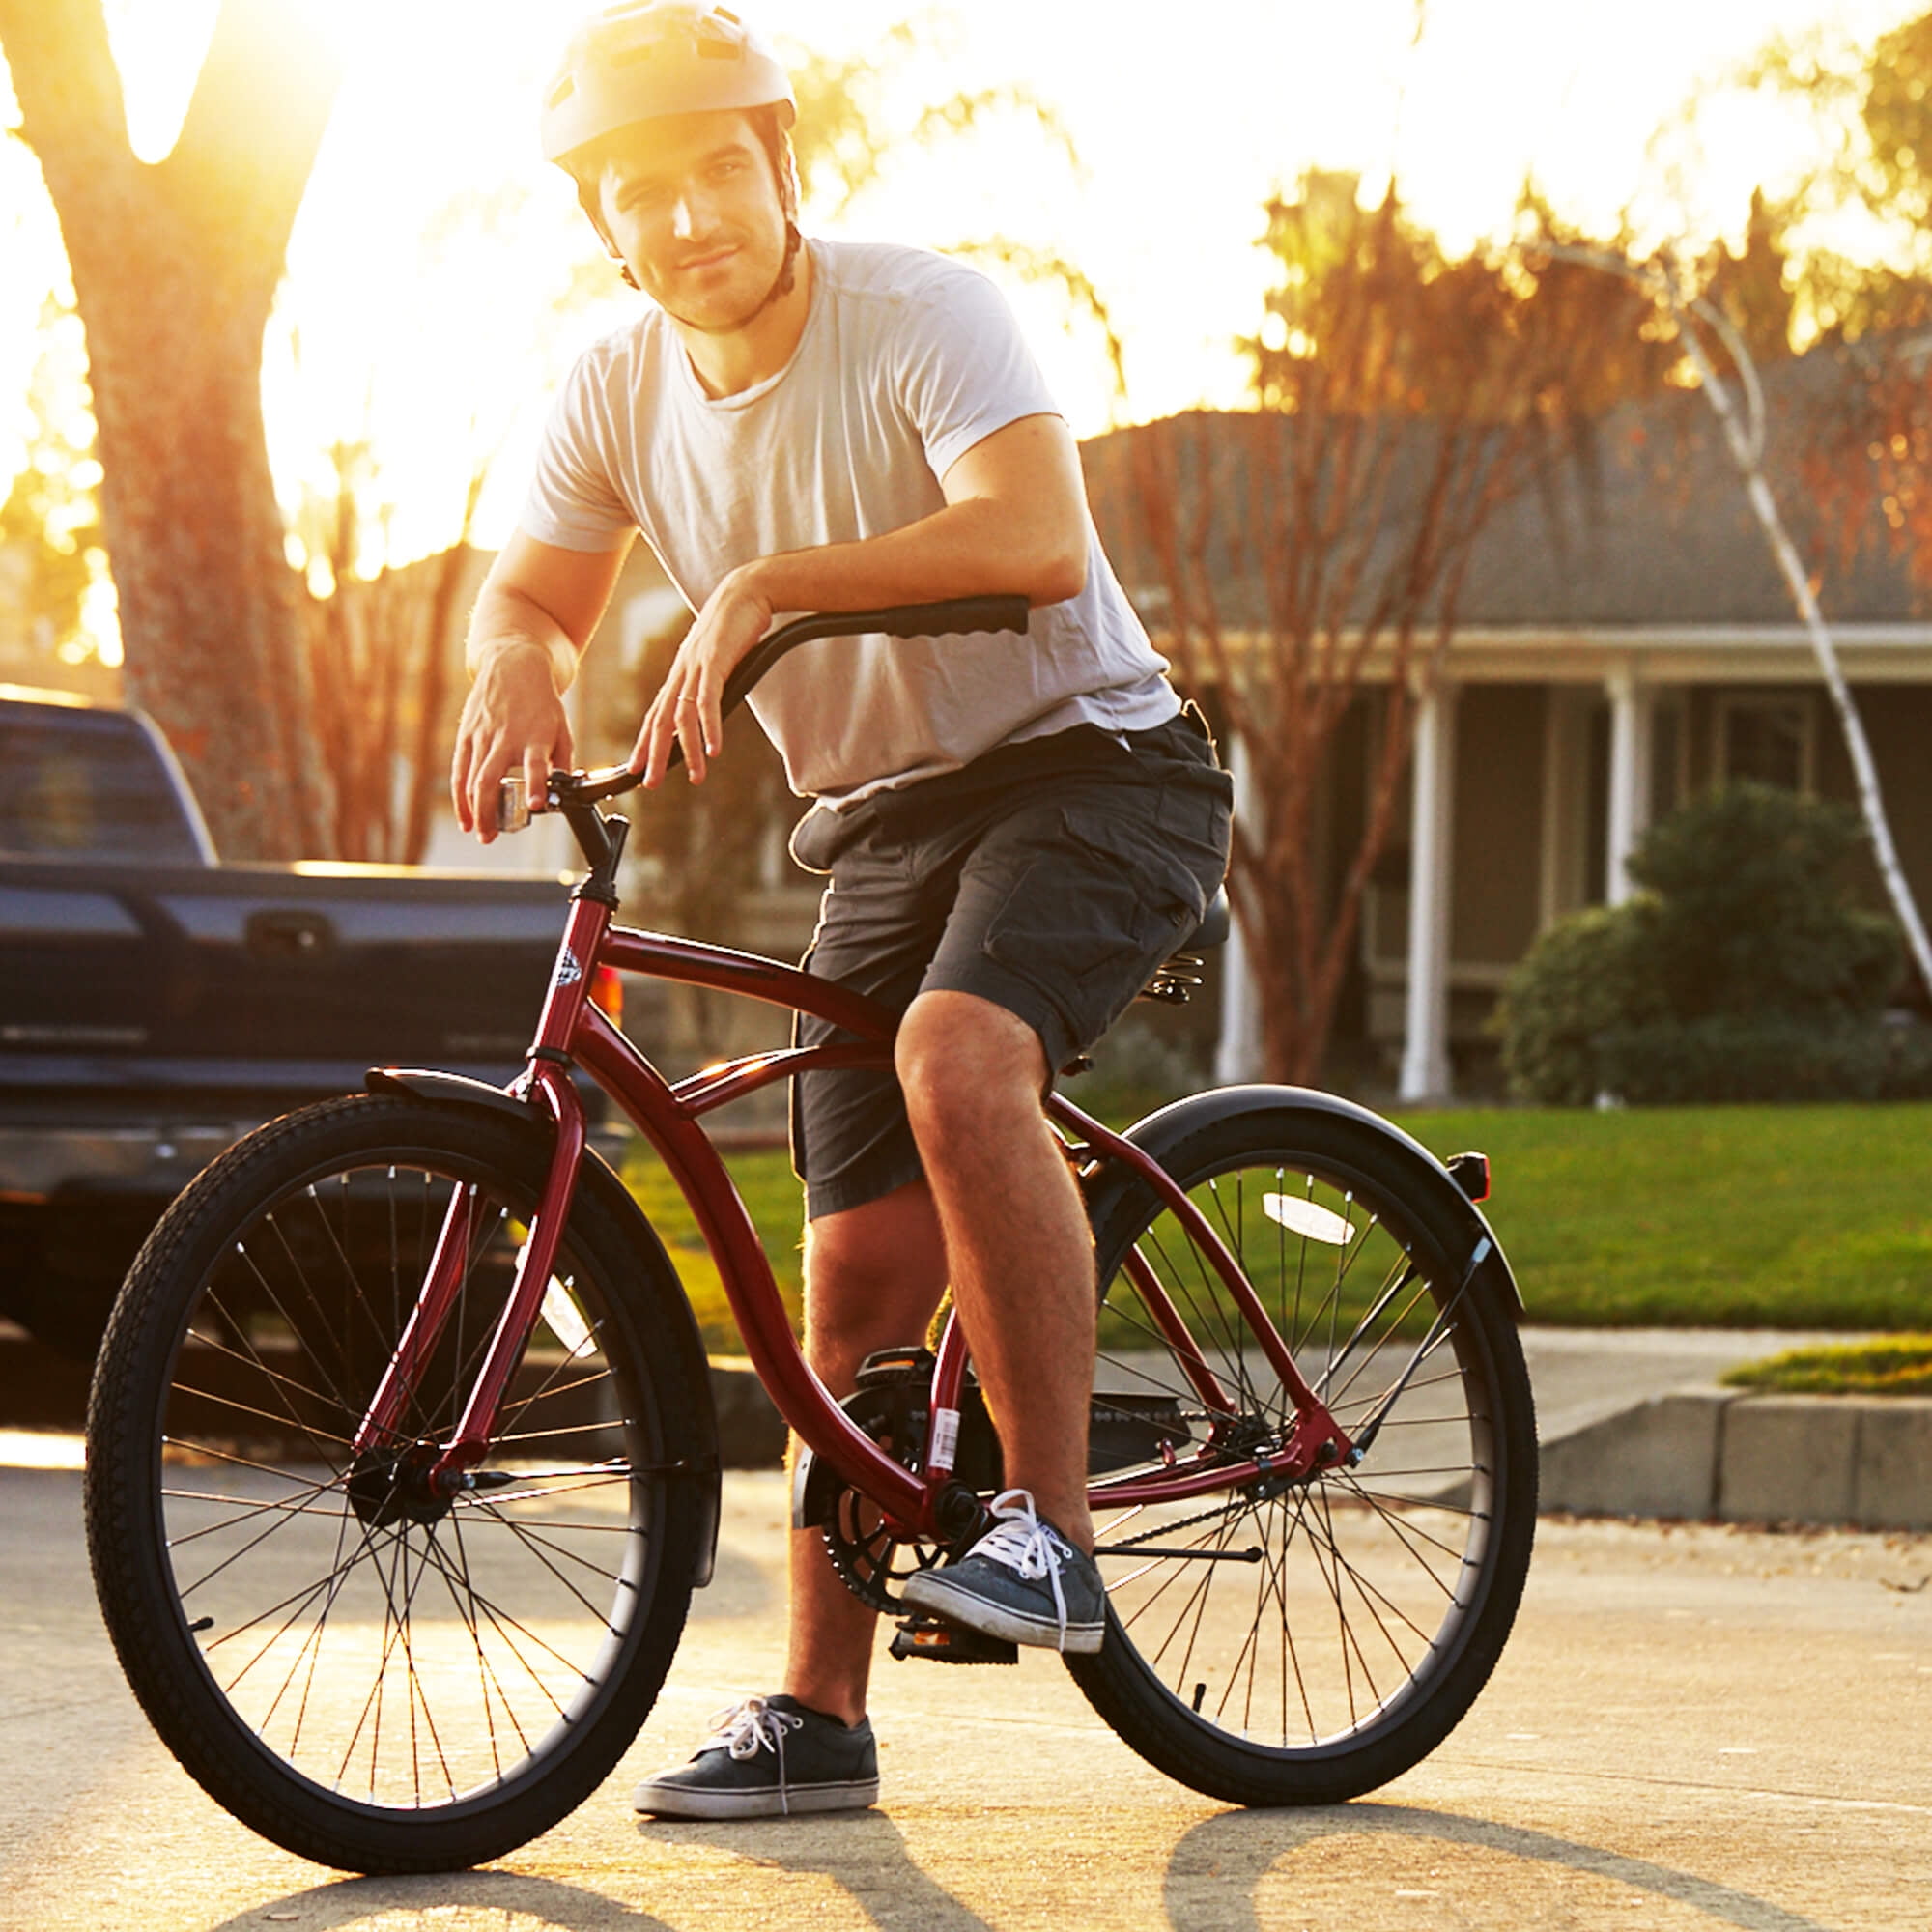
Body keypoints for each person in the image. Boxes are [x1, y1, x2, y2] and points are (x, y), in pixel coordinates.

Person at [450, 0, 1231, 1822]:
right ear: (606, 225)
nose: (692, 214)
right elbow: (536, 595)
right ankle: (821, 1713)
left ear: (783, 165)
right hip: (879, 824)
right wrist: (515, 660)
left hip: (1091, 765)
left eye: (724, 166)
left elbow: (1032, 534)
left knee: (968, 1061)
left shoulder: (925, 311)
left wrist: (765, 593)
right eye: (645, 191)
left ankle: (1047, 1536)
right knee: (855, 1277)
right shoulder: (607, 384)